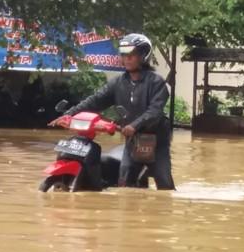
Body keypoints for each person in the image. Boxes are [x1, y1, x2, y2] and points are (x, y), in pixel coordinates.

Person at [48, 33, 175, 190]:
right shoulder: (117, 83)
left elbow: (154, 111)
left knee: (164, 182)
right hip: (132, 140)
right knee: (124, 182)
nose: (127, 58)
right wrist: (69, 114)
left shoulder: (157, 82)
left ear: (143, 55)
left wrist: (134, 125)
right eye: (124, 54)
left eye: (131, 54)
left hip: (156, 140)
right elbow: (94, 101)